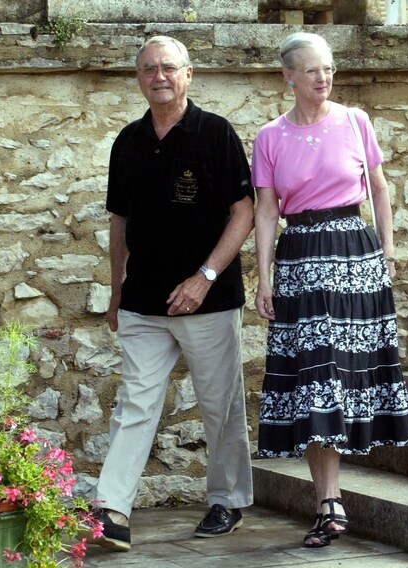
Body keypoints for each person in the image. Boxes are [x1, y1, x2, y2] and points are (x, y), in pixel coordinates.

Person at [88, 35, 255, 552]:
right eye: (147, 69)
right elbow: (120, 221)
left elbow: (244, 212)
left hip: (209, 298)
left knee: (220, 404)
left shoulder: (215, 133)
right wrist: (116, 290)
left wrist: (204, 277)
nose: (158, 76)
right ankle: (112, 509)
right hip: (142, 301)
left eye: (167, 68)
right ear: (138, 79)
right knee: (134, 403)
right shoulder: (128, 141)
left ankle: (227, 500)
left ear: (188, 74)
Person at [252, 32, 408, 549]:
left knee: (342, 378)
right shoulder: (270, 137)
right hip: (300, 258)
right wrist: (263, 275)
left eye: (328, 69)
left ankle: (329, 500)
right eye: (312, 70)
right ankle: (329, 500)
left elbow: (380, 187)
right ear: (289, 77)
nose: (323, 78)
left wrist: (387, 249)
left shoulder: (355, 121)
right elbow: (264, 210)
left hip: (355, 257)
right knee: (314, 379)